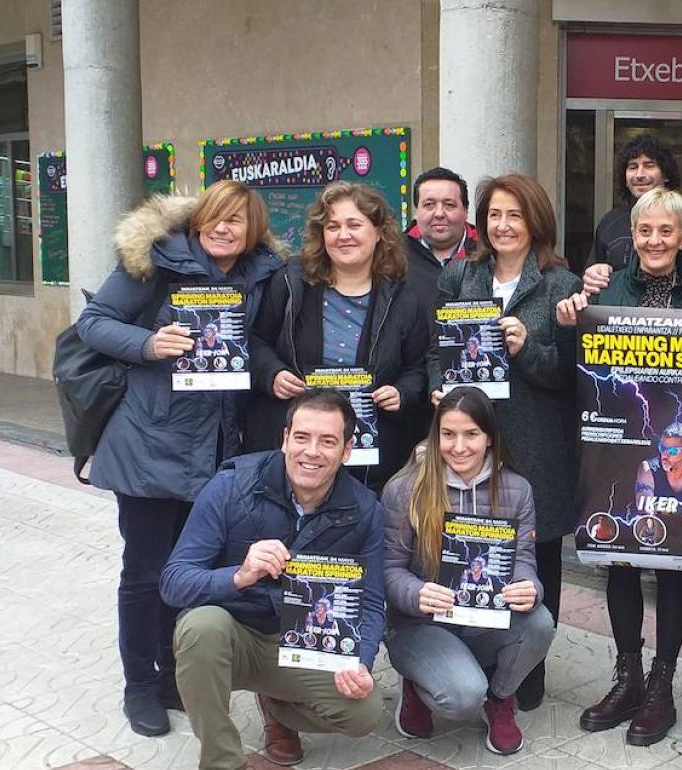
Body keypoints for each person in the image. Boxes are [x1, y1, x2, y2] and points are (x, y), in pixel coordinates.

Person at [75, 180, 284, 736]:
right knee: (144, 572)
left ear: (253, 229)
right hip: (150, 443)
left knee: (188, 570)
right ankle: (140, 685)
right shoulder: (155, 261)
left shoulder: (263, 275)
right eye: (215, 216)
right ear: (197, 221)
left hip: (217, 450)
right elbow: (92, 324)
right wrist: (150, 344)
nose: (223, 227)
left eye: (236, 220)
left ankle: (174, 675)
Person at [557, 188, 682, 745]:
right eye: (645, 231)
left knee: (674, 560)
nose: (654, 241)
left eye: (666, 231)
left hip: (678, 436)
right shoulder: (606, 287)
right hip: (618, 439)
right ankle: (628, 675)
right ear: (633, 236)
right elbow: (582, 361)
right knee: (619, 558)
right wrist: (573, 315)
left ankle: (663, 684)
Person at [161, 390, 386, 770]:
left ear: (347, 450)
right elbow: (174, 581)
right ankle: (221, 760)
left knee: (365, 712)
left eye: (327, 441)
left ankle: (280, 706)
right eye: (301, 437)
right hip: (233, 637)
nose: (311, 452)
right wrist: (240, 575)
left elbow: (371, 603)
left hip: (306, 644)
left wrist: (361, 662)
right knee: (202, 626)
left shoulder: (365, 509)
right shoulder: (231, 486)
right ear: (285, 439)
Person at [429, 174, 581, 709]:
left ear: (535, 220)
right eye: (494, 214)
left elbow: (575, 377)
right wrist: (435, 388)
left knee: (537, 555)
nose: (503, 225)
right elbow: (435, 348)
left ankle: (529, 668)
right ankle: (477, 659)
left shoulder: (563, 285)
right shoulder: (459, 275)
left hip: (538, 443)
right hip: (471, 443)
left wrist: (529, 348)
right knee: (470, 544)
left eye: (515, 214)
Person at [382, 386, 555, 755]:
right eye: (448, 434)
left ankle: (499, 698)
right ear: (436, 434)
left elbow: (523, 558)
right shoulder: (403, 488)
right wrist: (417, 594)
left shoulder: (517, 488)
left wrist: (528, 586)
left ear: (489, 437)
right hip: (420, 623)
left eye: (471, 434)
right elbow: (389, 570)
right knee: (461, 697)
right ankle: (416, 680)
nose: (459, 446)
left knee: (540, 622)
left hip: (483, 619)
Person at [247, 181, 428, 491]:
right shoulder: (291, 283)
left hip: (368, 458)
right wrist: (271, 374)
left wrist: (402, 393)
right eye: (332, 226)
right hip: (297, 451)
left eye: (354, 225)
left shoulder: (403, 298)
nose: (343, 235)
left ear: (379, 231)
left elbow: (418, 367)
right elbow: (256, 341)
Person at [586, 133, 682, 272]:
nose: (639, 175)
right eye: (632, 167)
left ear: (666, 174)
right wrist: (594, 273)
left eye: (649, 165)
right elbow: (592, 271)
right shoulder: (610, 222)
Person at [405, 166, 478, 317]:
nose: (439, 213)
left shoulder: (489, 253)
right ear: (416, 211)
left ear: (466, 211)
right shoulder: (393, 256)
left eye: (449, 205)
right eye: (429, 205)